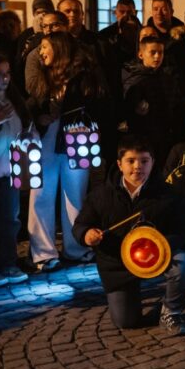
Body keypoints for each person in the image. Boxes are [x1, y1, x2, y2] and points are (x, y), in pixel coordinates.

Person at [72, 136, 185, 334]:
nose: (138, 167)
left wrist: (161, 246)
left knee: (184, 264)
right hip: (118, 265)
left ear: (153, 163)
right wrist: (87, 235)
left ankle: (171, 312)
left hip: (157, 256)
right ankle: (150, 306)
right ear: (120, 164)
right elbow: (80, 225)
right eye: (131, 161)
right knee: (126, 322)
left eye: (144, 161)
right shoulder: (101, 195)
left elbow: (184, 228)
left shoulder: (168, 194)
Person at [26, 31, 107, 271]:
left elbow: (99, 103)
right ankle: (43, 253)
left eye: (44, 47)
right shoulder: (42, 76)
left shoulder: (84, 75)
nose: (41, 52)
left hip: (77, 138)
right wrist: (41, 114)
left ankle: (76, 247)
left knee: (75, 195)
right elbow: (31, 104)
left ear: (59, 48)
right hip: (45, 138)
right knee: (40, 193)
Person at [0, 53, 30, 286]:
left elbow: (24, 122)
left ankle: (8, 262)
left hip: (9, 170)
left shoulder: (13, 98)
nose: (5, 78)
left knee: (9, 219)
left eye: (8, 73)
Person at [122, 35, 185, 166]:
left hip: (167, 138)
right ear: (141, 54)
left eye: (160, 52)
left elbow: (179, 106)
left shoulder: (168, 79)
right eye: (153, 52)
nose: (157, 57)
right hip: (143, 140)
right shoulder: (134, 80)